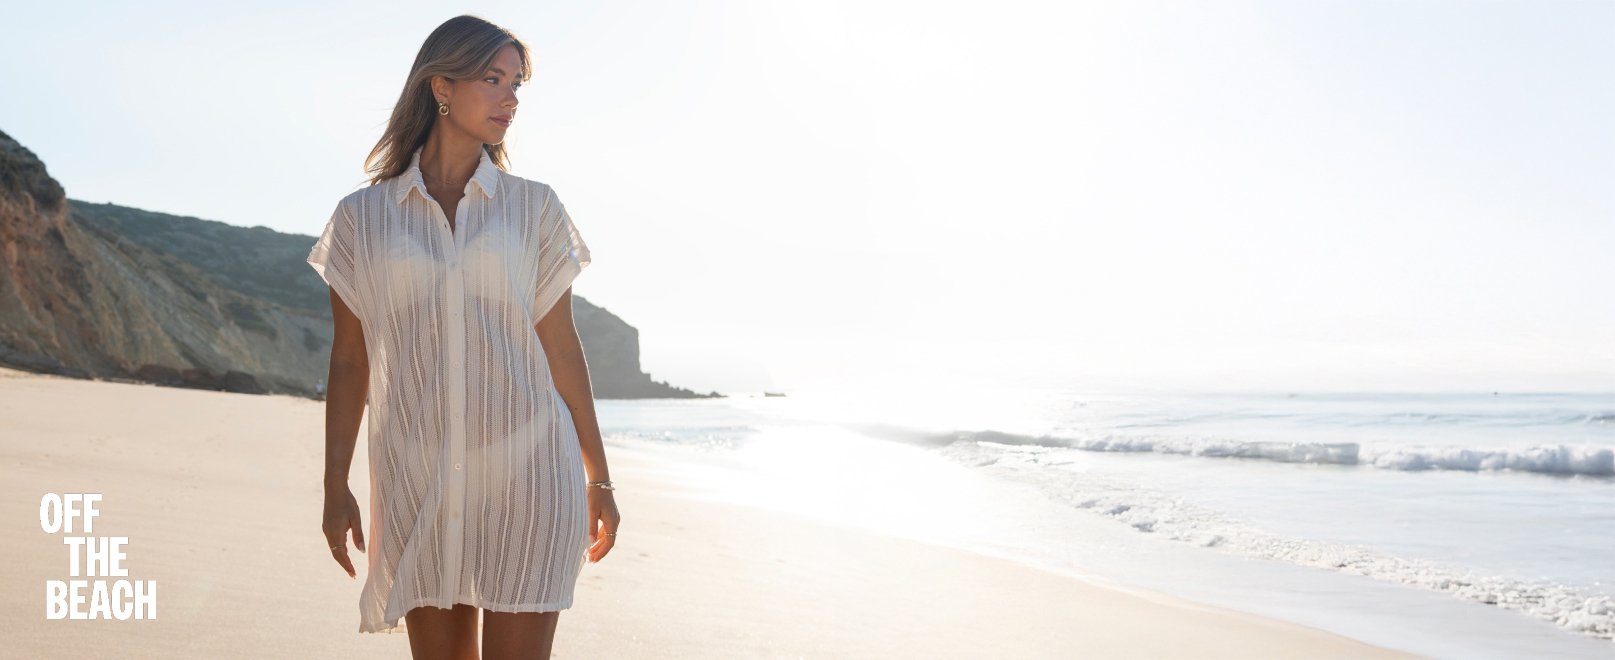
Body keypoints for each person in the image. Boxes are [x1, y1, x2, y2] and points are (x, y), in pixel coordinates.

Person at [308, 14, 620, 659]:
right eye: (493, 79)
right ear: (441, 85)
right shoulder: (362, 218)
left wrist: (600, 478)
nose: (510, 98)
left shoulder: (533, 206)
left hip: (529, 470)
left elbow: (561, 346)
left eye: (516, 84)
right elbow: (349, 360)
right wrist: (335, 484)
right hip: (418, 473)